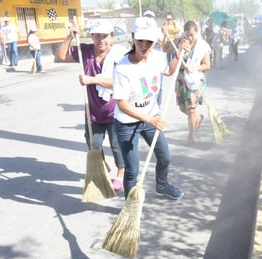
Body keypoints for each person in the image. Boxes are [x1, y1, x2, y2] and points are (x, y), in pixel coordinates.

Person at [112, 17, 184, 200]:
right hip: (127, 124)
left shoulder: (157, 58)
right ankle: (129, 207)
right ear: (133, 37)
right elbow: (122, 103)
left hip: (150, 119)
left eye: (149, 41)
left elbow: (169, 71)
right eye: (140, 40)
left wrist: (179, 53)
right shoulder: (123, 67)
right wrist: (149, 119)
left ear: (155, 42)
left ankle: (162, 185)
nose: (144, 45)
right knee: (132, 171)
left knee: (165, 157)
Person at [54, 19, 126, 191]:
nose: (101, 40)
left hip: (116, 111)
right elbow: (60, 56)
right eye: (97, 36)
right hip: (93, 111)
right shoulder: (84, 51)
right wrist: (69, 37)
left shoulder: (120, 55)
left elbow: (121, 82)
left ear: (111, 36)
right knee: (93, 145)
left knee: (117, 146)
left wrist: (92, 80)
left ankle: (121, 174)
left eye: (104, 36)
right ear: (92, 37)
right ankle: (101, 165)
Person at [172, 20, 211, 146]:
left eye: (192, 35)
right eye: (187, 34)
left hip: (195, 80)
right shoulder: (182, 42)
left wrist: (194, 68)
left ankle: (191, 135)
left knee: (191, 110)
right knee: (183, 108)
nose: (190, 38)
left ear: (197, 33)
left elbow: (207, 65)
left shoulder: (203, 46)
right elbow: (166, 49)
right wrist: (179, 46)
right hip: (182, 79)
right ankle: (197, 119)